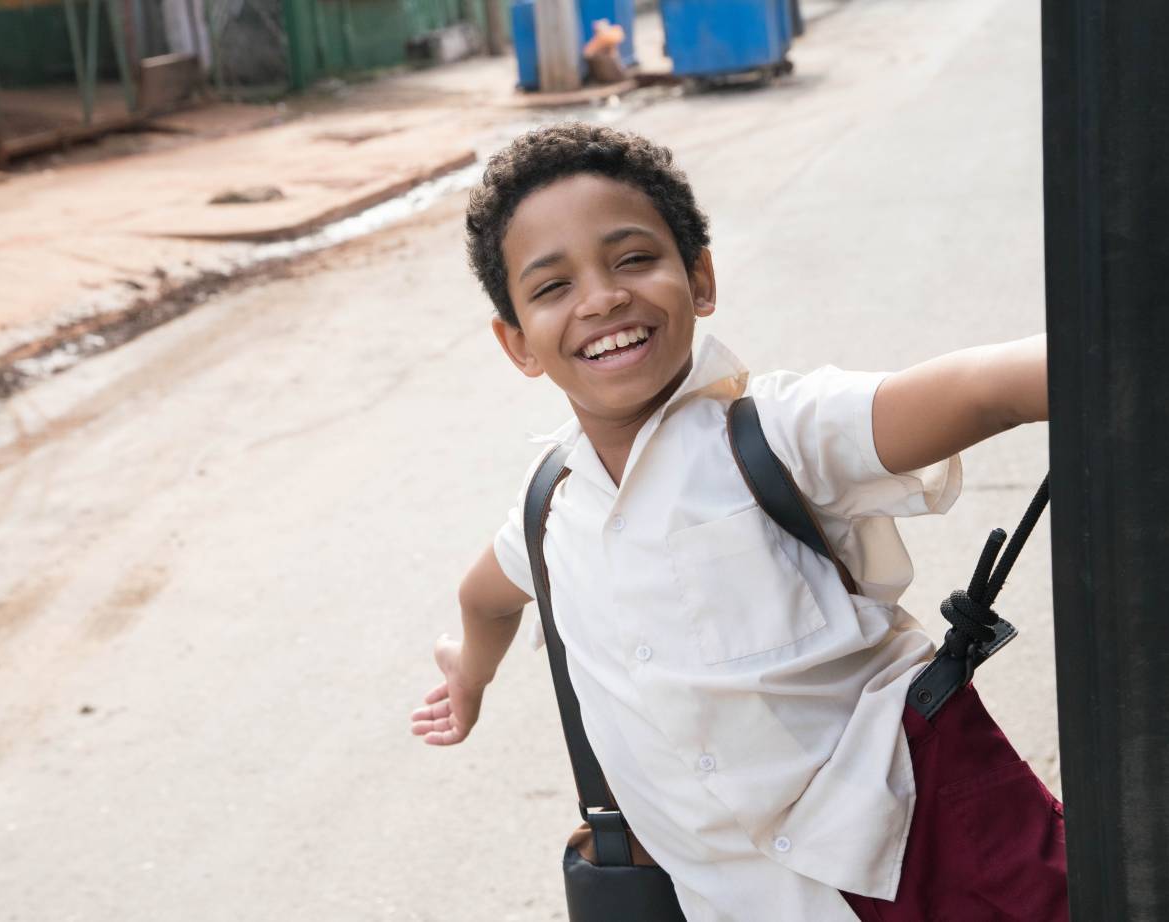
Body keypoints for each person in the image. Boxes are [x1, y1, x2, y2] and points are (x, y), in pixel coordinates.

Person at [409, 123, 1067, 921]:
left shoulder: (780, 433)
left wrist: (1135, 344)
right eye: (552, 287)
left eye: (633, 259)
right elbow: (486, 596)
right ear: (517, 343)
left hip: (923, 858)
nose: (602, 297)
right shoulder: (549, 505)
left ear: (700, 277)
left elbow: (979, 389)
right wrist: (470, 672)